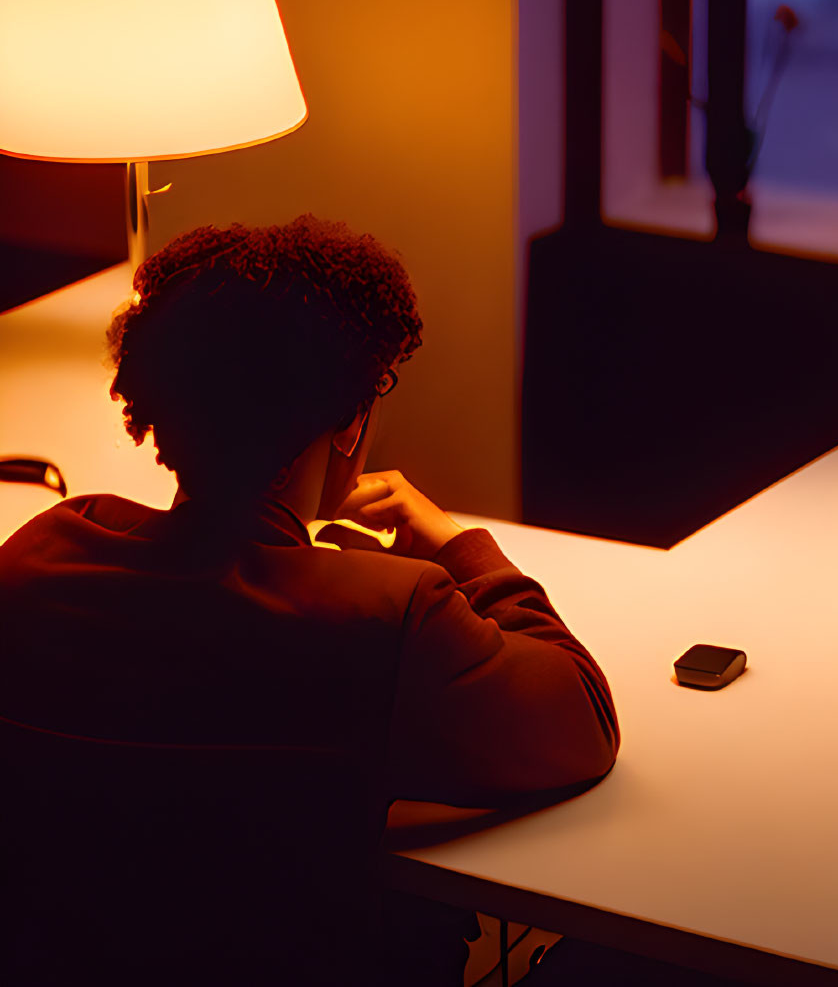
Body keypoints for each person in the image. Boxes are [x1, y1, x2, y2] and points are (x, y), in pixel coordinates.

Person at [0, 216, 619, 986]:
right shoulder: (390, 615)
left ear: (160, 407)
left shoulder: (37, 559)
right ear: (351, 420)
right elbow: (582, 714)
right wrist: (460, 550)